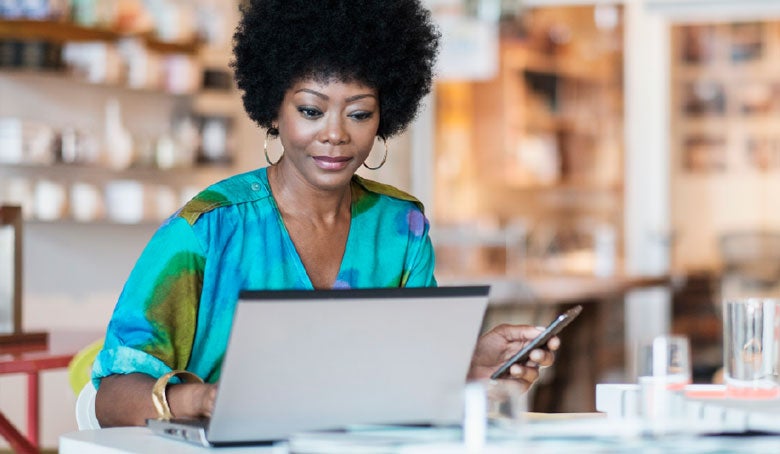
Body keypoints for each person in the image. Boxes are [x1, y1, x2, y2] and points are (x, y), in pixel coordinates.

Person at [93, 0, 559, 427]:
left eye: (358, 114)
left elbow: (400, 383)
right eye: (312, 110)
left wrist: (469, 367)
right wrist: (201, 399)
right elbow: (111, 398)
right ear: (274, 109)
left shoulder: (402, 229)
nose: (335, 134)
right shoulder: (207, 230)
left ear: (385, 117)